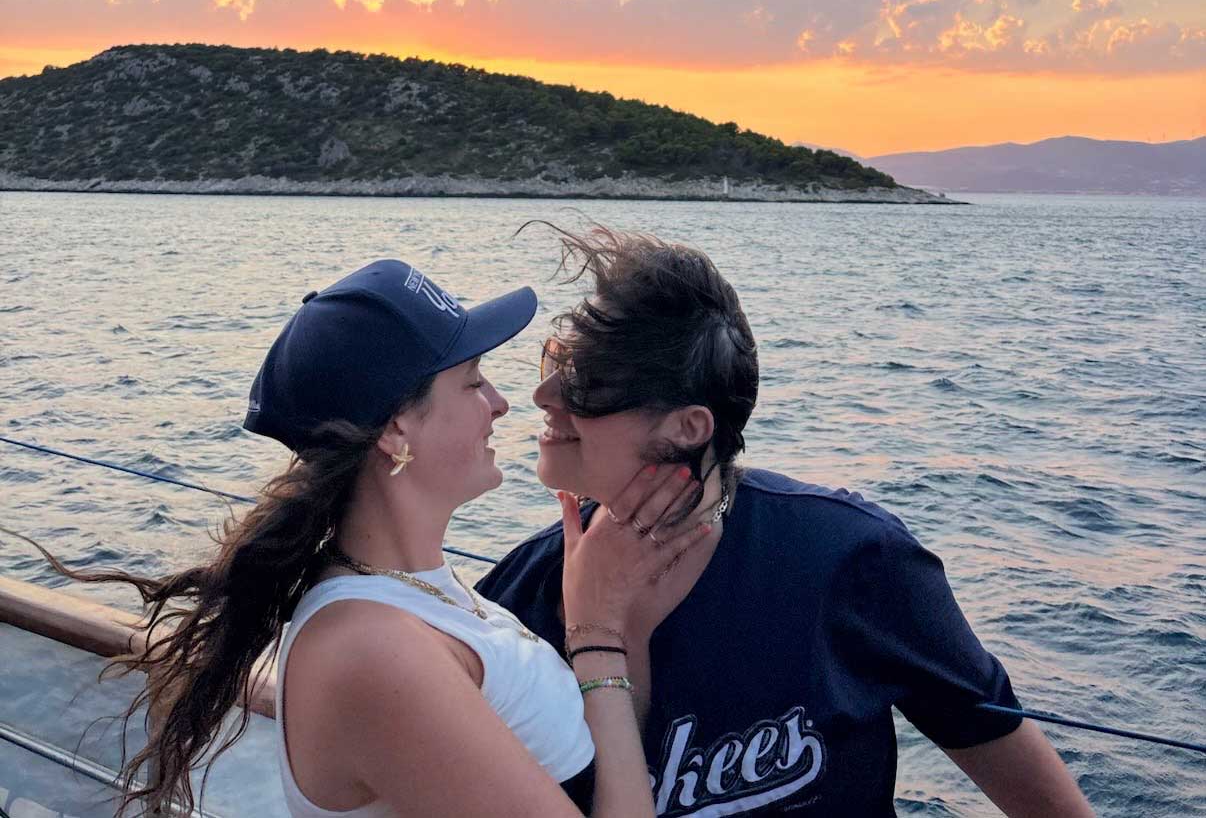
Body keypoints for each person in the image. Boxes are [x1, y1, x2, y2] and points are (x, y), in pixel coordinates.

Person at [25, 259, 710, 818]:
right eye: (473, 381)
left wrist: (617, 617)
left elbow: (590, 751)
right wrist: (592, 631)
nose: (502, 403)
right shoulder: (372, 650)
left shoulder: (417, 595)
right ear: (394, 432)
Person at [477, 229, 1097, 817]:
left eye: (585, 381)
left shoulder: (848, 558)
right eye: (554, 362)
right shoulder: (521, 591)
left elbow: (1005, 756)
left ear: (688, 428)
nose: (544, 396)